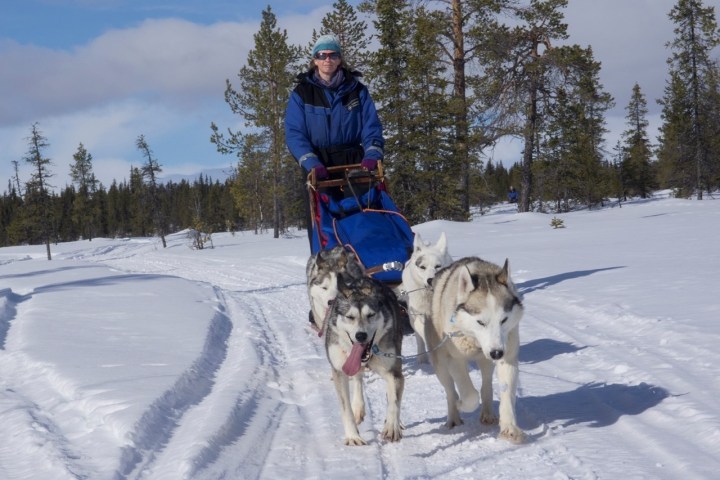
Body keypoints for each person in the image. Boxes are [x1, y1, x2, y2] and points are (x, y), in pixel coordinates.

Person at [285, 34, 385, 245]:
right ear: (315, 59)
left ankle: (366, 265)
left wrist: (372, 154)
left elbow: (371, 126)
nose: (327, 60)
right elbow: (295, 133)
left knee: (362, 214)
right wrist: (311, 162)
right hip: (319, 164)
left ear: (340, 59)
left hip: (354, 162)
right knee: (323, 222)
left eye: (333, 55)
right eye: (322, 55)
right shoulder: (302, 93)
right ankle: (324, 268)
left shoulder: (357, 90)